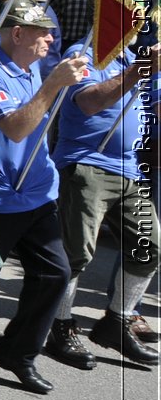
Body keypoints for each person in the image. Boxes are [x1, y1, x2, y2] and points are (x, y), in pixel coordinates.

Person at [0, 0, 88, 393]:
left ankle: (17, 353)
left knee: (55, 273)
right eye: (42, 32)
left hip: (37, 192)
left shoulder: (32, 70)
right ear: (17, 33)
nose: (51, 39)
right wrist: (52, 85)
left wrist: (50, 82)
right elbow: (14, 127)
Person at [46, 37, 160, 367]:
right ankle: (61, 327)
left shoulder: (138, 57)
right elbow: (88, 102)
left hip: (129, 168)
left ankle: (117, 322)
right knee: (76, 252)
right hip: (87, 163)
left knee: (148, 245)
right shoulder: (87, 54)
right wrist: (139, 71)